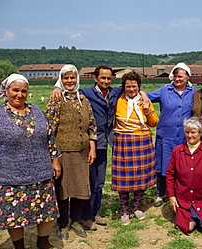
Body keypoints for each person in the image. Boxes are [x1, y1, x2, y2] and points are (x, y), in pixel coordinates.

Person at [50, 65, 149, 230]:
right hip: (88, 143)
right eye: (103, 78)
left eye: (109, 78)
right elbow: (69, 89)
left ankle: (95, 213)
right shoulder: (86, 93)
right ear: (95, 78)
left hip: (104, 142)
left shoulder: (114, 92)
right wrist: (56, 88)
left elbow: (133, 88)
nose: (106, 81)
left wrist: (144, 94)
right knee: (86, 181)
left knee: (99, 182)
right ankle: (84, 216)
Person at [0, 74, 61, 249]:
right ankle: (19, 246)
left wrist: (55, 161)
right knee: (14, 213)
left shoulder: (36, 110)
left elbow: (49, 137)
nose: (20, 94)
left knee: (46, 211)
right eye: (15, 90)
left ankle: (43, 243)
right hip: (8, 177)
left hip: (40, 174)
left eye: (24, 91)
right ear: (6, 91)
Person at [45, 65, 97, 239]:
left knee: (80, 189)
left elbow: (92, 126)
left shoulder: (83, 100)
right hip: (63, 153)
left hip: (82, 153)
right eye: (66, 78)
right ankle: (62, 224)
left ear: (77, 79)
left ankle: (75, 220)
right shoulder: (56, 99)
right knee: (63, 190)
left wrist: (92, 148)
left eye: (72, 78)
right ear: (61, 79)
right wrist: (53, 155)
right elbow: (49, 129)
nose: (69, 81)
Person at [112, 71, 159, 225]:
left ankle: (137, 207)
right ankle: (125, 210)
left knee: (141, 175)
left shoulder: (145, 101)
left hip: (142, 140)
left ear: (139, 87)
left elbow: (153, 123)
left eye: (134, 86)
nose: (131, 89)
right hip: (123, 141)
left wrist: (147, 109)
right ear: (123, 87)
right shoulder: (117, 100)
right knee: (124, 178)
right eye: (128, 86)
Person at [147, 62, 196, 207]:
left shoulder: (194, 93)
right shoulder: (164, 91)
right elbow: (146, 97)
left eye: (180, 76)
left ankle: (180, 193)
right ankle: (160, 194)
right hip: (166, 136)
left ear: (187, 77)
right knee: (163, 166)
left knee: (183, 167)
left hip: (184, 137)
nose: (177, 79)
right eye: (175, 76)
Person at [166, 117, 202, 234]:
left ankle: (200, 216)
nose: (190, 135)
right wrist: (171, 197)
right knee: (188, 227)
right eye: (187, 132)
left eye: (193, 132)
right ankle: (188, 215)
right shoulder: (177, 151)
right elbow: (170, 174)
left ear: (201, 133)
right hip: (184, 198)